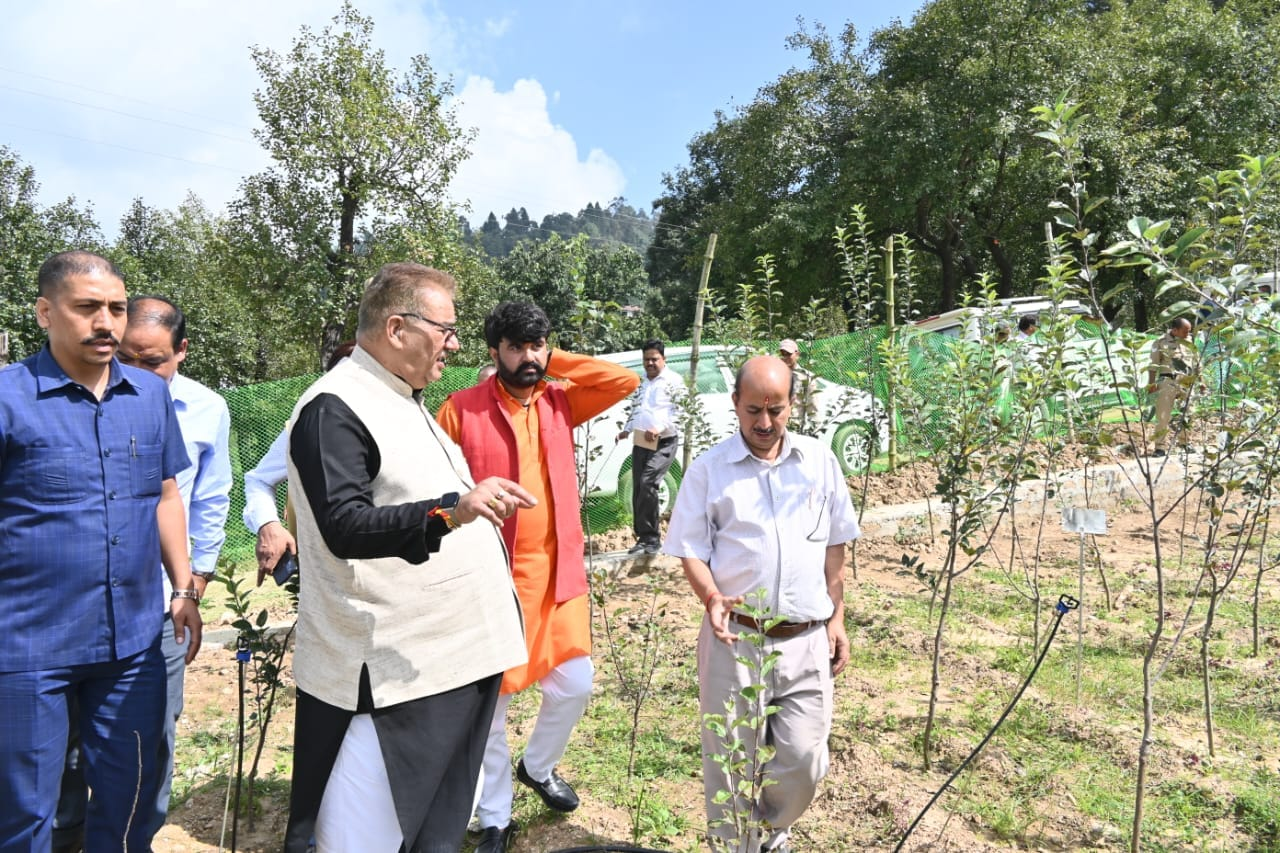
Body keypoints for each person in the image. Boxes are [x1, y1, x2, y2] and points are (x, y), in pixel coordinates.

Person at [282, 264, 532, 852]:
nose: (456, 342)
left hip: (450, 662)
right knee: (370, 838)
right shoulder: (334, 408)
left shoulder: (401, 398)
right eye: (445, 328)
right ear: (397, 328)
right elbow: (343, 526)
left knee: (434, 832)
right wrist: (450, 510)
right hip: (392, 679)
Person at [0, 250, 202, 852]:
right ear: (45, 312)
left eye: (116, 308)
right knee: (24, 812)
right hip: (29, 645)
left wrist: (185, 586)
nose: (106, 323)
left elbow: (165, 495)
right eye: (87, 308)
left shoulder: (148, 395)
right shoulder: (9, 398)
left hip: (132, 642)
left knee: (134, 795)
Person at [438, 301, 639, 853]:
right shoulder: (461, 410)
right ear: (492, 350)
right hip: (492, 582)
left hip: (558, 581)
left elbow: (621, 379)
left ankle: (539, 766)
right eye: (517, 347)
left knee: (575, 684)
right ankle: (496, 817)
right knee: (492, 708)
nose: (529, 357)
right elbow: (436, 487)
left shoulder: (559, 399)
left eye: (538, 345)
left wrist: (553, 360)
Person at [50, 295, 232, 848]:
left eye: (152, 360)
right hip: (74, 607)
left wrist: (193, 581)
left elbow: (206, 499)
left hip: (160, 607)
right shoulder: (80, 397)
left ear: (181, 351)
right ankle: (67, 832)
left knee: (148, 734)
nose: (134, 370)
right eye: (127, 357)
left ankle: (134, 835)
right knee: (66, 738)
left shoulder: (206, 410)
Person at [664, 356, 861, 853]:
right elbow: (690, 548)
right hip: (736, 638)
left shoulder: (819, 463)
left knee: (805, 760)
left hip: (806, 639)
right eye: (753, 409)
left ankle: (771, 830)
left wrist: (837, 617)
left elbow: (835, 542)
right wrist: (711, 596)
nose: (764, 423)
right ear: (735, 403)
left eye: (775, 409)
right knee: (728, 766)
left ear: (793, 405)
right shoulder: (710, 471)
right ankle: (737, 847)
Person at [242, 341, 355, 586]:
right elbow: (259, 480)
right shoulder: (304, 427)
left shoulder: (406, 424)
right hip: (325, 580)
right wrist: (268, 525)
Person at [615, 339, 682, 555]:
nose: (650, 363)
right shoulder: (641, 382)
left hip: (664, 441)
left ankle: (653, 539)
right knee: (638, 488)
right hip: (642, 440)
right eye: (646, 360)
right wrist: (626, 429)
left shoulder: (673, 381)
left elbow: (681, 413)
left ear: (664, 359)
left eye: (654, 359)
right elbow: (636, 409)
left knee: (649, 482)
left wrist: (660, 426)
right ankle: (643, 539)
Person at [1147, 317, 1196, 456]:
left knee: (1187, 413)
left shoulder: (1189, 341)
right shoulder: (1160, 342)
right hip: (1167, 381)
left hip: (1186, 381)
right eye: (1185, 331)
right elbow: (1153, 364)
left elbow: (1195, 361)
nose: (1188, 334)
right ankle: (1160, 447)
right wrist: (1152, 383)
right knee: (1163, 415)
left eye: (1189, 331)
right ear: (1175, 330)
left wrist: (1201, 380)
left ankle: (1186, 443)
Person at [777, 338, 818, 434]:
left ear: (797, 354)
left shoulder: (806, 377)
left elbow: (812, 407)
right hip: (776, 425)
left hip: (794, 427)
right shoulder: (774, 374)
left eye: (788, 354)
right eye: (783, 354)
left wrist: (814, 430)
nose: (785, 357)